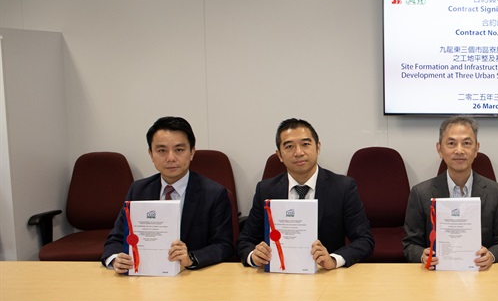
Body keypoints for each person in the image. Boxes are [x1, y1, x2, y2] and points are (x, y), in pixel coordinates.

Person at [103, 116, 233, 273]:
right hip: (144, 274)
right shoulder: (138, 190)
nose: (171, 158)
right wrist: (115, 258)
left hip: (192, 276)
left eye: (179, 150)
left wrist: (191, 258)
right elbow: (116, 238)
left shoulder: (214, 193)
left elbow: (223, 245)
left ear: (192, 152)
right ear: (151, 154)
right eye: (162, 150)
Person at [238, 118, 373, 270]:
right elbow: (245, 240)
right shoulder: (265, 189)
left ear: (318, 147)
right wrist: (253, 256)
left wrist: (333, 260)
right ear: (279, 155)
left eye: (305, 144)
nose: (298, 152)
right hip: (279, 274)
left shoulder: (343, 187)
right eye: (289, 146)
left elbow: (364, 240)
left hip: (325, 274)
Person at [402, 116, 498, 270]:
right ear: (439, 149)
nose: (459, 150)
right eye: (451, 143)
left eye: (466, 143)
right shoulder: (421, 193)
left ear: (476, 149)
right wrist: (423, 256)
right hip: (436, 274)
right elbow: (410, 245)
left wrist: (492, 256)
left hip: (482, 274)